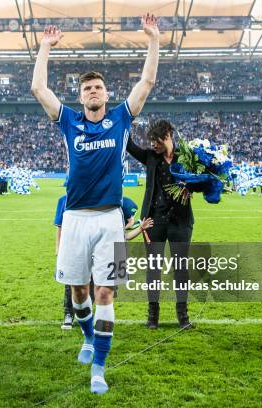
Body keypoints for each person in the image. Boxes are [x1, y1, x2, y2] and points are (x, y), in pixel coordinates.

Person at [31, 13, 159, 394]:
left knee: (105, 293)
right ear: (81, 95)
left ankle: (99, 368)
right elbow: (39, 88)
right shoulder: (69, 121)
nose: (92, 91)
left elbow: (147, 82)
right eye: (87, 88)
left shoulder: (121, 118)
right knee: (79, 293)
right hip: (73, 220)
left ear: (106, 93)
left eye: (98, 87)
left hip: (111, 221)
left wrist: (152, 40)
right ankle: (88, 337)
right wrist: (44, 47)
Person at [126, 120, 195, 330]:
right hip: (153, 221)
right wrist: (127, 121)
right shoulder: (150, 157)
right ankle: (152, 316)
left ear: (168, 136)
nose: (152, 145)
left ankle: (183, 317)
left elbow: (202, 181)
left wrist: (193, 187)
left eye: (155, 141)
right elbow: (129, 145)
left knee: (180, 269)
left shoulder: (187, 157)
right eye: (151, 141)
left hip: (180, 222)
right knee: (153, 269)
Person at [54, 195, 149, 330]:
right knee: (74, 283)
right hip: (76, 244)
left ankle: (89, 317)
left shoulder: (114, 202)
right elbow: (60, 226)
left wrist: (137, 228)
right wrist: (58, 247)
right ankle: (69, 314)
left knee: (99, 284)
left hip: (103, 248)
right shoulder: (66, 199)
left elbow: (124, 235)